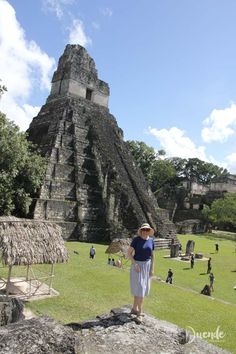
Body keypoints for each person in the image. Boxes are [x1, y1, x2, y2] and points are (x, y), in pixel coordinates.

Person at [127, 222, 155, 317]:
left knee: (141, 289)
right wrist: (135, 264)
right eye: (143, 229)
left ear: (149, 231)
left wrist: (152, 269)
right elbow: (129, 253)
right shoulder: (136, 240)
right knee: (140, 289)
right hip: (137, 266)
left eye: (147, 230)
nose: (145, 231)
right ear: (141, 230)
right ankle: (139, 312)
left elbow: (152, 256)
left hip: (147, 266)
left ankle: (134, 308)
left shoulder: (151, 241)